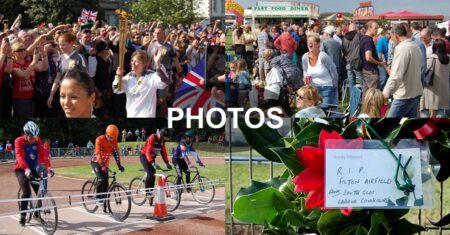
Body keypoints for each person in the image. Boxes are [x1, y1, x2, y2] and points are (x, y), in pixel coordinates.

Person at [14, 121, 54, 226]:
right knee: (26, 192)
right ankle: (23, 216)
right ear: (25, 134)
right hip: (21, 169)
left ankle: (36, 214)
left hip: (32, 168)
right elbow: (19, 156)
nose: (33, 140)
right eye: (31, 137)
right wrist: (26, 169)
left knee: (40, 191)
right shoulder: (19, 141)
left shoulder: (37, 140)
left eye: (35, 137)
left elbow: (44, 154)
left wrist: (49, 167)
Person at [113, 50, 171, 117]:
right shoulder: (128, 77)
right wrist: (118, 76)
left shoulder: (152, 76)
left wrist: (158, 64)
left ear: (144, 64)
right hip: (131, 115)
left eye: (137, 61)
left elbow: (164, 82)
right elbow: (117, 90)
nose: (133, 63)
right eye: (132, 61)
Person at [383, 24, 423, 118]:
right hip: (415, 93)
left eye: (392, 37)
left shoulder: (402, 49)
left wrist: (385, 94)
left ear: (395, 35)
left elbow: (396, 75)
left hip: (404, 95)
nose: (391, 40)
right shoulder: (415, 46)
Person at [90, 125, 125, 208]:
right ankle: (98, 199)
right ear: (107, 134)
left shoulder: (114, 140)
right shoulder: (99, 139)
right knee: (101, 179)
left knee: (106, 183)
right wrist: (102, 165)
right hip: (96, 162)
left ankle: (104, 200)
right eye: (111, 137)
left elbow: (116, 153)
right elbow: (98, 153)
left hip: (105, 164)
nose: (112, 140)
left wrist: (119, 165)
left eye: (114, 138)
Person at [301, 34, 339, 110]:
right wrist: (305, 77)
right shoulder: (305, 57)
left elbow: (333, 69)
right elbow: (305, 70)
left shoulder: (323, 56)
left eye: (312, 41)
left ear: (318, 44)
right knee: (314, 111)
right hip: (313, 90)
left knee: (323, 111)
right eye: (308, 41)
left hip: (326, 88)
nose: (309, 43)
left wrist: (334, 86)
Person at [420, 39, 450, 117]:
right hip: (444, 89)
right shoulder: (448, 59)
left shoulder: (430, 58)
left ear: (434, 47)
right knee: (441, 110)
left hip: (431, 88)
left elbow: (423, 72)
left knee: (424, 109)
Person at [140, 127, 172, 197]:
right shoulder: (152, 138)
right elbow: (148, 152)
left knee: (153, 174)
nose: (165, 140)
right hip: (145, 156)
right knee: (150, 173)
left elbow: (164, 152)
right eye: (165, 138)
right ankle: (147, 192)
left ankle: (151, 192)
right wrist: (152, 163)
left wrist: (167, 162)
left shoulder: (162, 141)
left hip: (151, 158)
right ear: (162, 135)